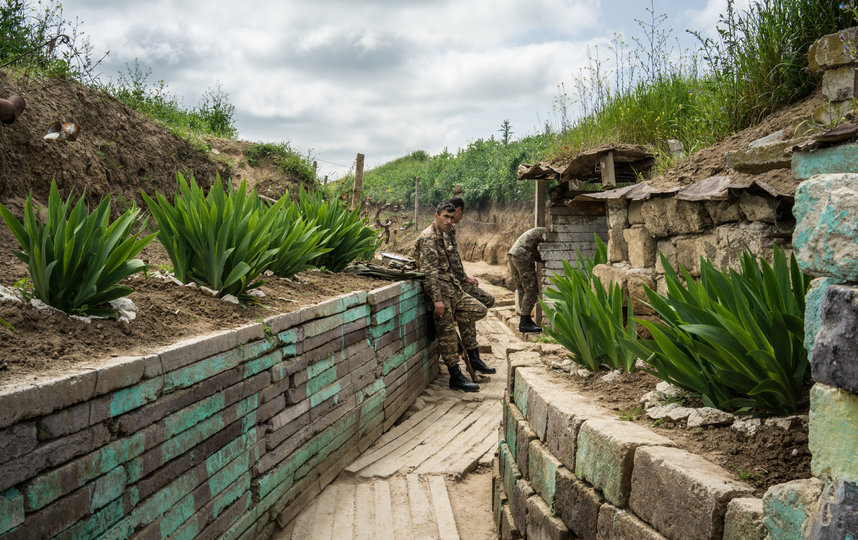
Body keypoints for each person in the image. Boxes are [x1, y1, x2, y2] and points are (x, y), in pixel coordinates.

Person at [415, 202, 488, 392]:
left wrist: (463, 278)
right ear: (436, 216)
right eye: (445, 217)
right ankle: (455, 376)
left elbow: (452, 262)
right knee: (447, 333)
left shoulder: (443, 235)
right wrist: (437, 299)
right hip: (440, 293)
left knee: (480, 309)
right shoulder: (429, 238)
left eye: (451, 217)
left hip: (452, 288)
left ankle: (458, 337)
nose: (449, 221)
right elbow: (429, 272)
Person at [446, 196, 496, 374]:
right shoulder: (444, 230)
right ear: (459, 209)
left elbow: (454, 259)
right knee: (479, 306)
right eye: (462, 212)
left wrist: (464, 277)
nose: (454, 219)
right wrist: (462, 278)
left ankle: (473, 357)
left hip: (457, 282)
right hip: (451, 285)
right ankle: (473, 357)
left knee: (480, 304)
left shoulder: (449, 229)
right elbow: (448, 261)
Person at [508, 227, 547, 333]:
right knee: (532, 291)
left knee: (522, 290)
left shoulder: (539, 231)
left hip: (512, 255)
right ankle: (524, 322)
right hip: (522, 255)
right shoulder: (549, 234)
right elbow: (546, 253)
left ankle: (525, 320)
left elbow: (536, 252)